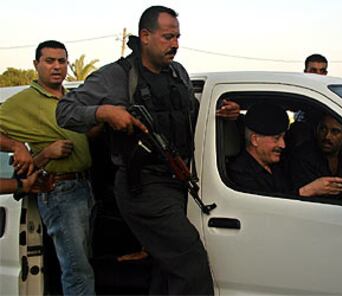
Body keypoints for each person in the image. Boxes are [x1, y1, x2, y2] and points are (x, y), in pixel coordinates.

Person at [56, 6, 239, 295]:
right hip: (143, 185)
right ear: (145, 36)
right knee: (190, 262)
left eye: (178, 37)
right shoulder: (116, 76)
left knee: (165, 268)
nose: (175, 44)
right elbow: (64, 111)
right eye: (168, 37)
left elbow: (185, 114)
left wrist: (218, 113)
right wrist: (104, 112)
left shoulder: (177, 73)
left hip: (179, 179)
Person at [0, 40, 95, 295]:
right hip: (59, 190)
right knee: (77, 271)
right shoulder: (23, 101)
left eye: (62, 61)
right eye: (49, 61)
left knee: (84, 263)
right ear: (36, 65)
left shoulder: (72, 98)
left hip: (84, 186)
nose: (57, 67)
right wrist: (16, 146)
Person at [228, 103, 342, 197]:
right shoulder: (239, 173)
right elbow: (266, 209)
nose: (283, 145)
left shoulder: (279, 164)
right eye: (276, 138)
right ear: (255, 140)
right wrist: (309, 190)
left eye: (283, 137)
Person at [289, 114, 342, 200]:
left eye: (335, 131)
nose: (327, 136)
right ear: (316, 130)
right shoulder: (302, 157)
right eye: (323, 129)